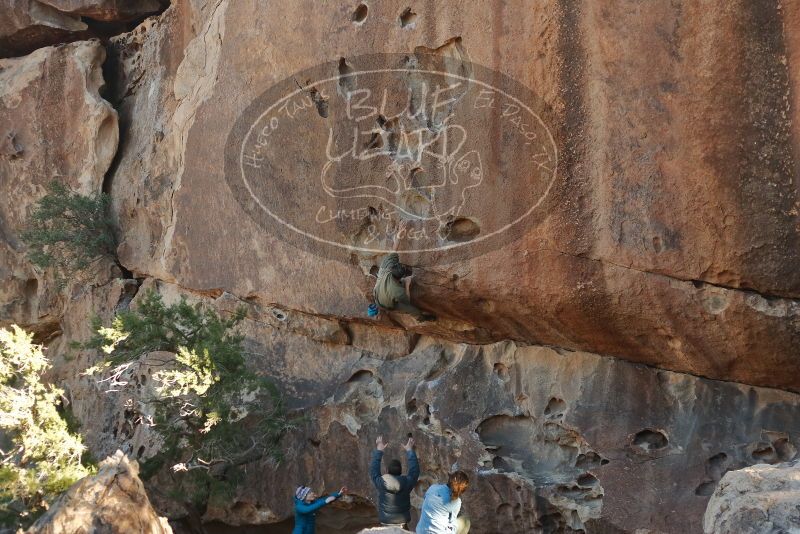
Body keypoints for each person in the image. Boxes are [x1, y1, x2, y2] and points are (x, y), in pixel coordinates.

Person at [370, 434, 420, 528]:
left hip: (386, 522)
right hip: (402, 523)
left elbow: (373, 471)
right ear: (401, 472)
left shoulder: (381, 483)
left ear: (387, 471)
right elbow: (415, 471)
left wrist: (379, 450)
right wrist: (409, 450)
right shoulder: (407, 483)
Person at [372, 252, 435, 321]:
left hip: (377, 295)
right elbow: (407, 302)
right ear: (401, 277)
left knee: (380, 277)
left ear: (392, 269)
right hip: (388, 305)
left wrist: (396, 246)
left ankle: (379, 287)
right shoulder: (399, 291)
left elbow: (393, 254)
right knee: (414, 310)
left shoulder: (387, 270)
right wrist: (407, 284)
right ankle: (422, 319)